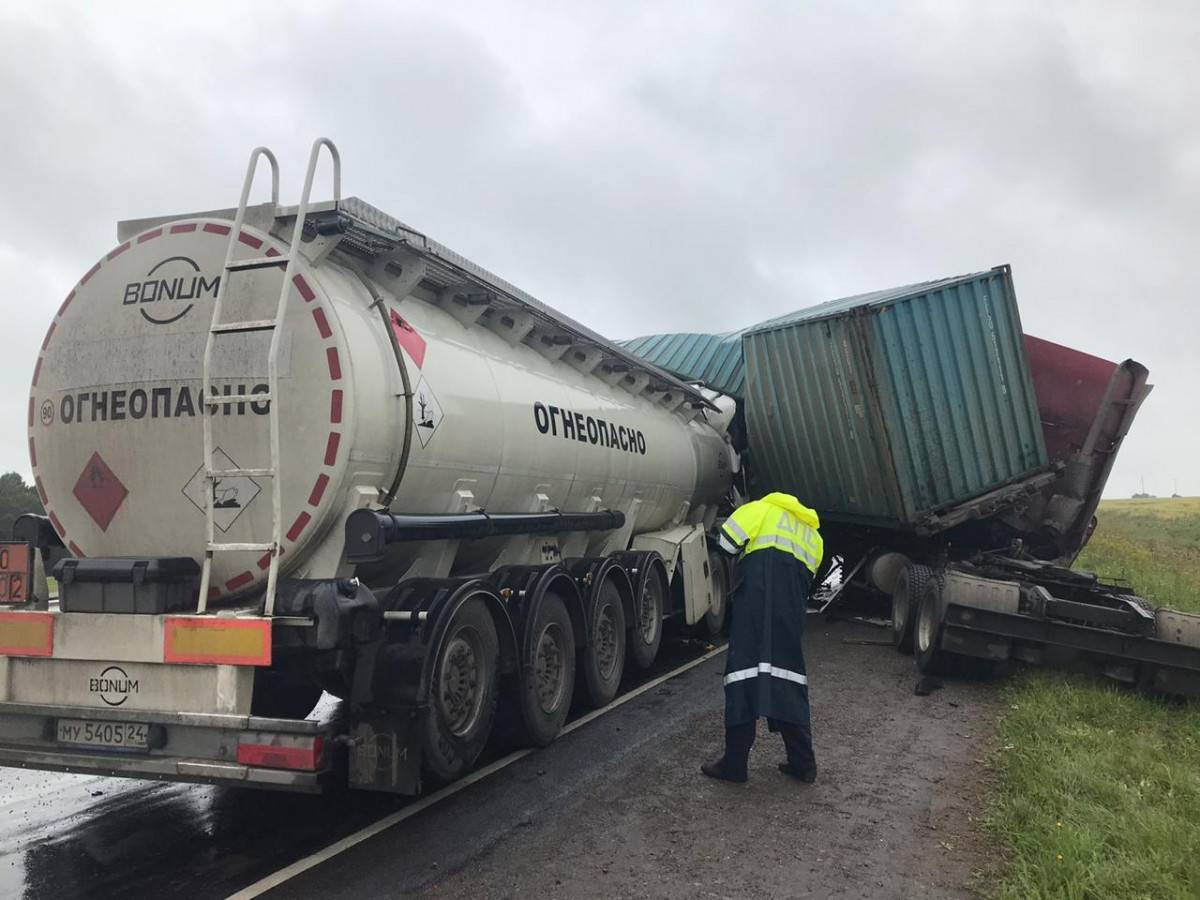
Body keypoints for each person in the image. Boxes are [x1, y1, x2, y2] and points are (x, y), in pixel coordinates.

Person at [702, 491, 823, 784]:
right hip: (789, 615)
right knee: (788, 679)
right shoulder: (813, 535)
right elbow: (809, 577)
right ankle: (804, 764)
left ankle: (734, 764)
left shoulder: (759, 510)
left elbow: (727, 544)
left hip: (755, 609)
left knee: (742, 676)